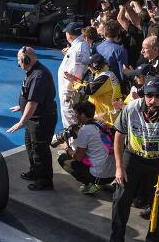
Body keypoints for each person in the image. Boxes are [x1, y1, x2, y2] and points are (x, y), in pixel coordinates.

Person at [110, 76, 159, 242]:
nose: (153, 100)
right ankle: (116, 238)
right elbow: (118, 136)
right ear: (144, 94)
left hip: (156, 163)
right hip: (132, 158)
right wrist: (119, 167)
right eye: (150, 95)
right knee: (120, 201)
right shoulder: (131, 108)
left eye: (158, 96)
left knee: (157, 204)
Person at [7, 46, 57, 191]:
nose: (18, 64)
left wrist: (21, 122)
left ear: (26, 59)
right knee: (30, 145)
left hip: (41, 119)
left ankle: (45, 181)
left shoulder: (39, 75)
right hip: (32, 117)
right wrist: (20, 107)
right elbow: (28, 95)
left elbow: (33, 101)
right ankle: (35, 171)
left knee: (40, 149)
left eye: (19, 60)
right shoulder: (32, 71)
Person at [58, 101, 115, 194]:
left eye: (77, 114)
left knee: (63, 158)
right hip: (113, 174)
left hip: (100, 176)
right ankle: (101, 182)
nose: (75, 116)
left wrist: (66, 148)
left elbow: (78, 157)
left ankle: (91, 183)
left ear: (83, 115)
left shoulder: (85, 130)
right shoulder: (101, 124)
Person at [58, 22, 90, 149]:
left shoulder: (79, 48)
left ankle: (74, 148)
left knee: (70, 119)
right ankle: (73, 145)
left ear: (69, 34)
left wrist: (68, 93)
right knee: (71, 119)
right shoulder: (78, 46)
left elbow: (76, 71)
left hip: (69, 91)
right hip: (70, 90)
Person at [67, 54, 122, 126]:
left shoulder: (105, 77)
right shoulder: (103, 74)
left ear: (96, 66)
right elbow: (92, 85)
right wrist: (77, 81)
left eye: (90, 65)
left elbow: (89, 90)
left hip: (107, 119)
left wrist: (74, 83)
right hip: (106, 116)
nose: (88, 67)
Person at [96, 19, 129, 84]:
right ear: (118, 33)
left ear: (105, 33)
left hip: (100, 83)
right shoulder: (120, 50)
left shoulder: (97, 47)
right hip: (115, 86)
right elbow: (123, 73)